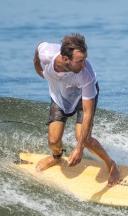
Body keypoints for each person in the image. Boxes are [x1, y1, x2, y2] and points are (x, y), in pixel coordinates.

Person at [33, 33, 121, 187]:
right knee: (53, 141)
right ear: (65, 59)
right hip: (60, 95)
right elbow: (38, 48)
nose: (84, 64)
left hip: (82, 95)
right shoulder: (47, 54)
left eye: (85, 59)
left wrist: (80, 148)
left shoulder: (86, 75)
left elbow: (87, 112)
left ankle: (111, 164)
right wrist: (37, 66)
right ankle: (56, 156)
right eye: (80, 61)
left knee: (84, 138)